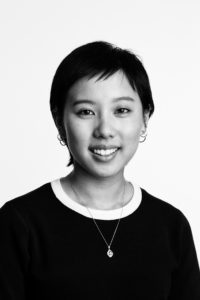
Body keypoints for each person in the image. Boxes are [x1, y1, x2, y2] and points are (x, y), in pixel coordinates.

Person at [0, 41, 200, 300]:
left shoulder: (172, 227)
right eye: (86, 111)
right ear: (59, 120)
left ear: (145, 118)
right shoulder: (19, 223)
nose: (104, 129)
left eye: (122, 110)